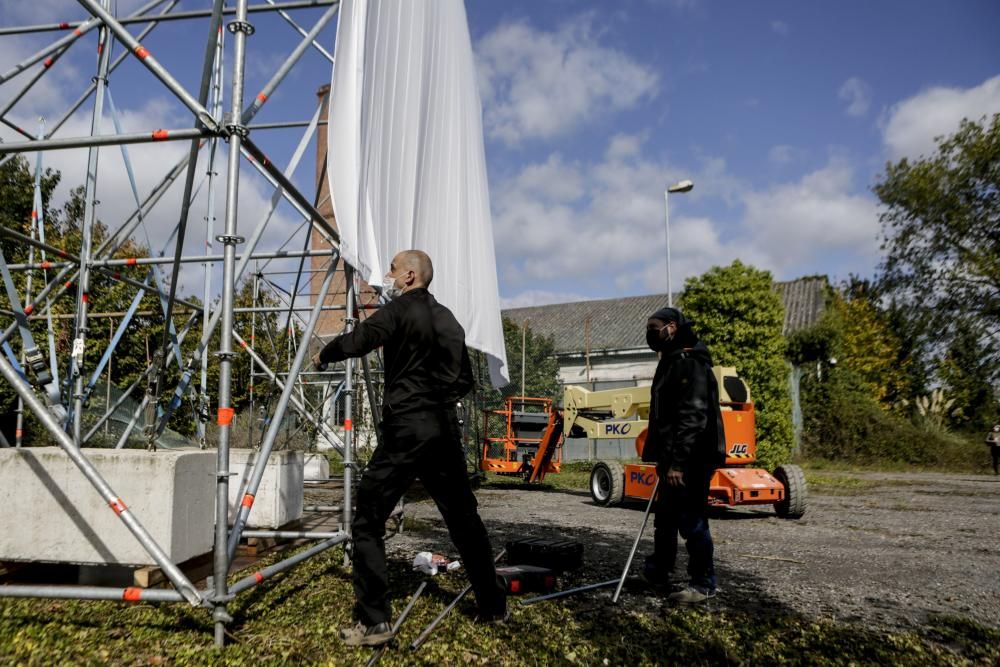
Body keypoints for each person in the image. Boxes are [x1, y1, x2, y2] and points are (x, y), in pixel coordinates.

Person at [312, 249, 506, 647]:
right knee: (464, 520)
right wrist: (436, 398)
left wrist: (324, 354)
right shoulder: (449, 320)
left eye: (394, 269)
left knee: (368, 518)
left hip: (405, 429)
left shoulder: (400, 310)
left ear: (411, 277)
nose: (387, 274)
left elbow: (360, 340)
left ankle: (375, 622)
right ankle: (493, 605)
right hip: (442, 429)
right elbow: (464, 380)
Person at [640, 306, 726, 604]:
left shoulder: (690, 362)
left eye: (654, 327)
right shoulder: (672, 361)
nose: (651, 333)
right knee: (664, 520)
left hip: (691, 459)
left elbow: (692, 417)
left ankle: (703, 583)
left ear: (672, 327)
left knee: (692, 521)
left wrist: (678, 463)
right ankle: (658, 573)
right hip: (672, 458)